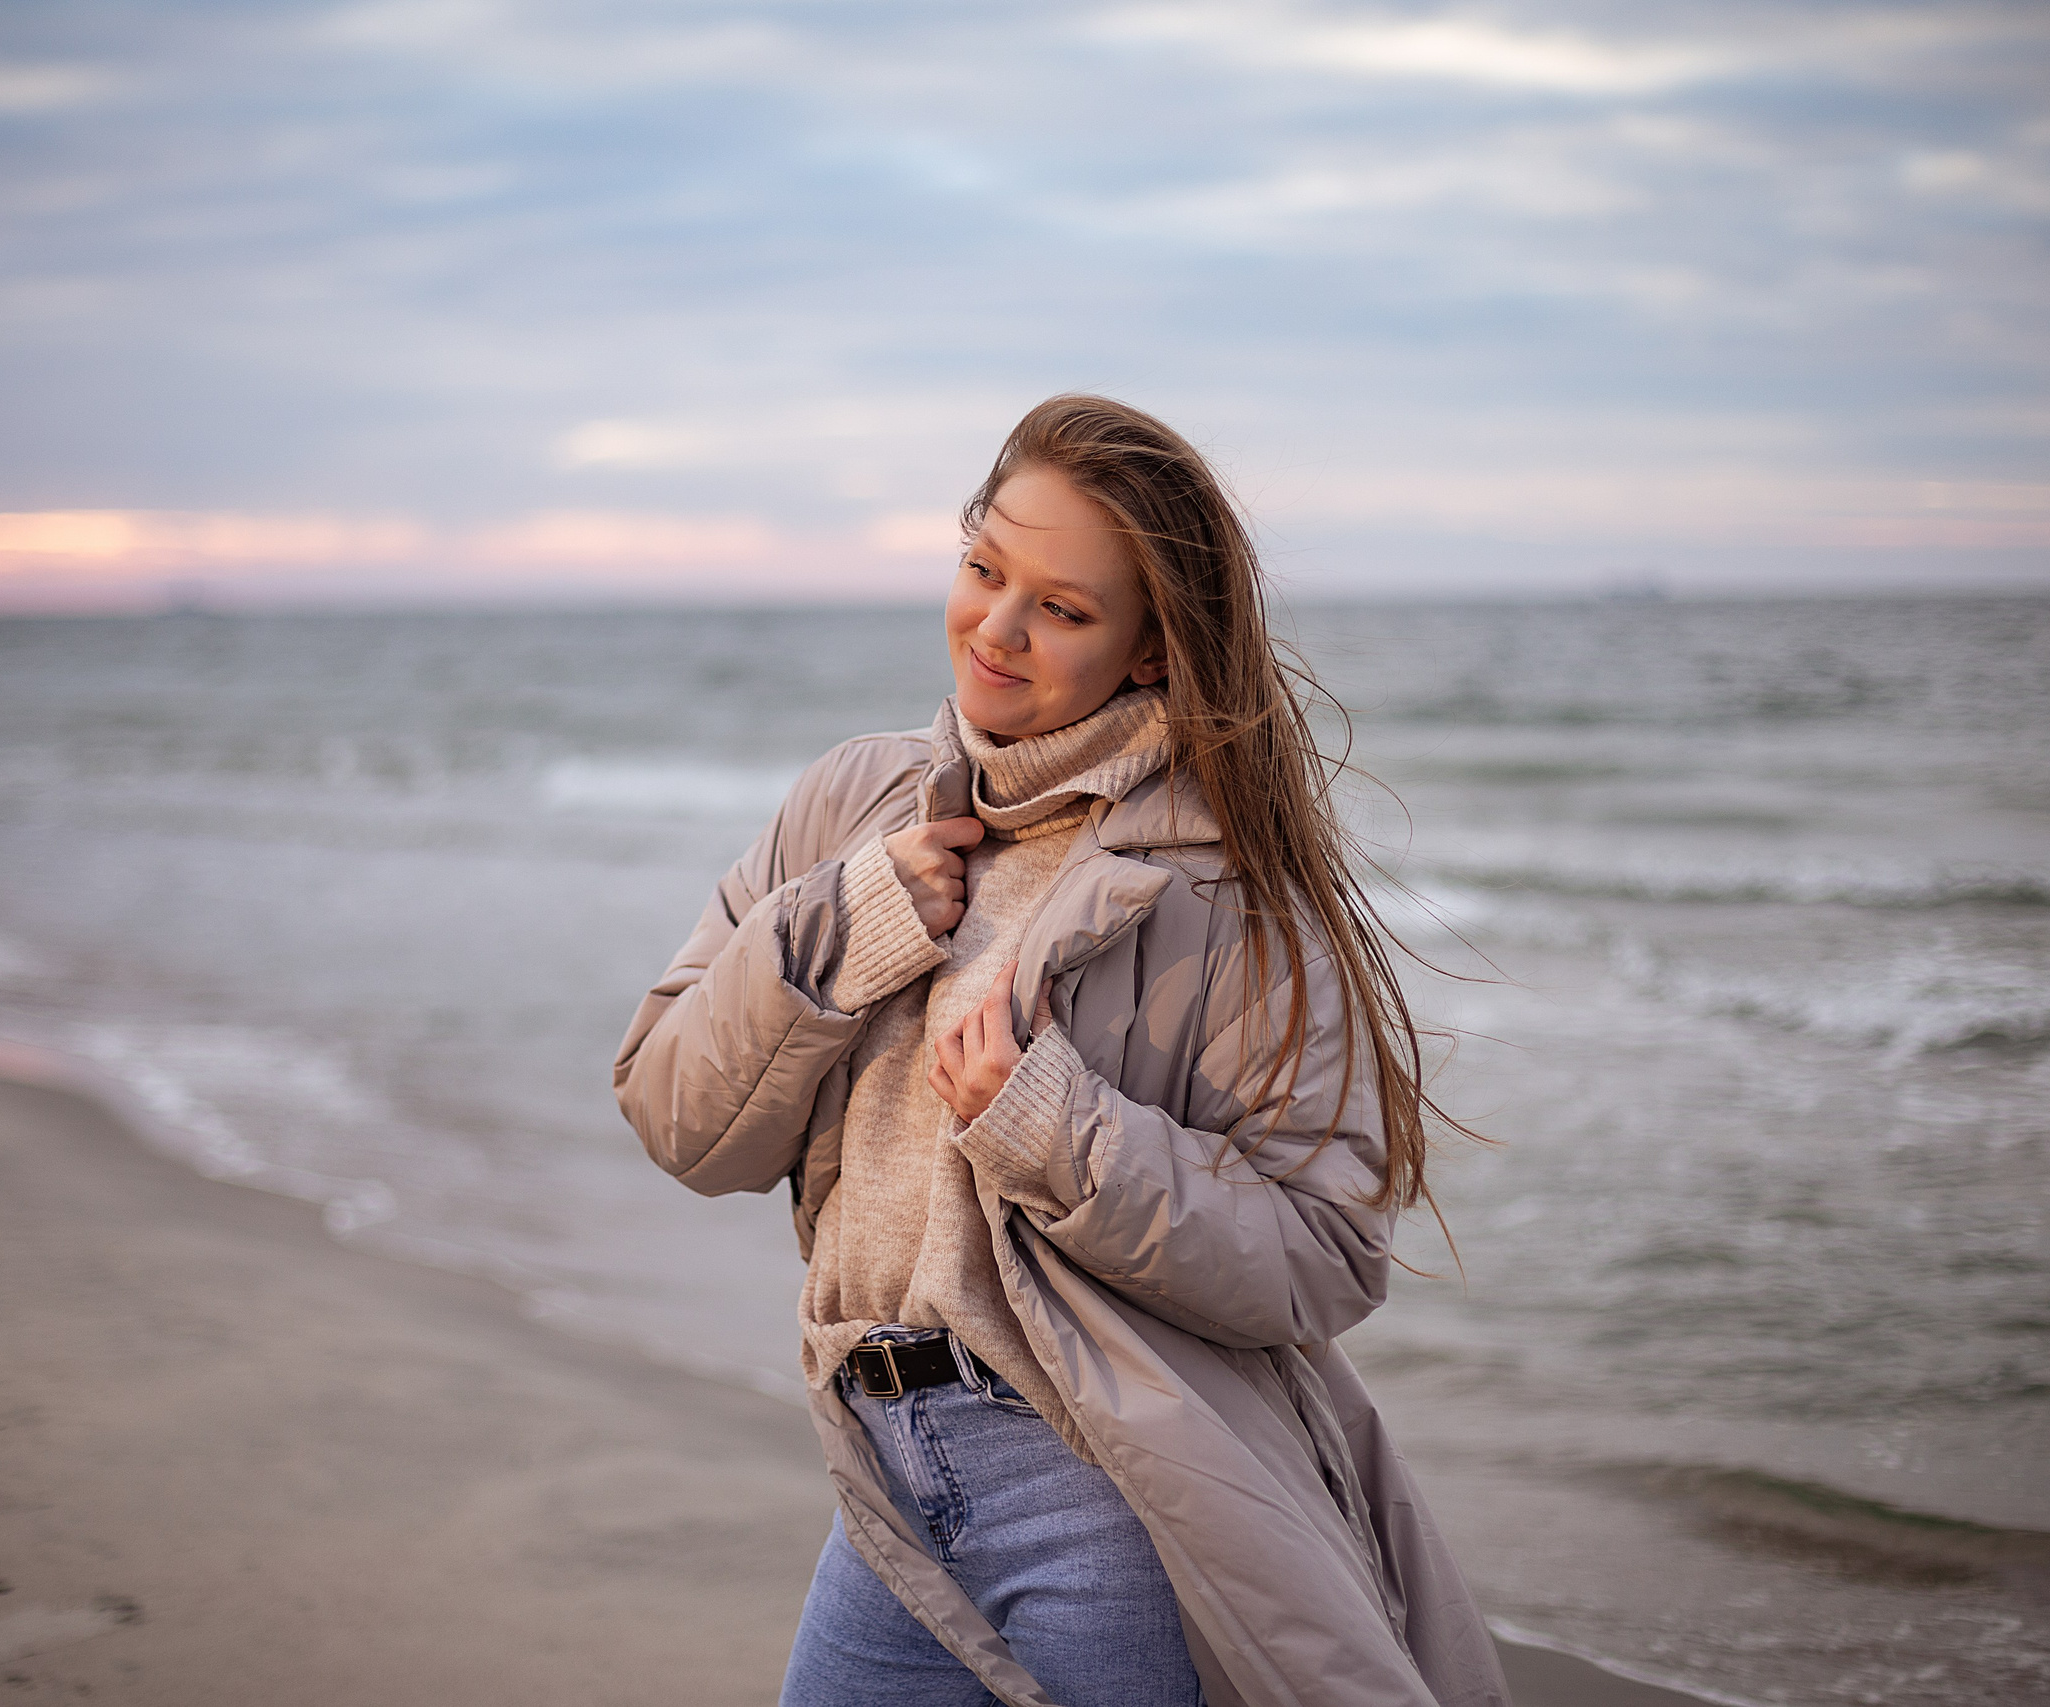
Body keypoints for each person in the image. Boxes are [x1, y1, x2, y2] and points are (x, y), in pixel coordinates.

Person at [615, 395, 1509, 1707]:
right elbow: (677, 1118)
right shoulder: (848, 808)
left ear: (1153, 652)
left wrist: (1051, 1126)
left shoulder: (1225, 892)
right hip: (887, 1473)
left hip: (1108, 1497)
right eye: (984, 569)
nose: (998, 627)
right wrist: (842, 925)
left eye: (1065, 609)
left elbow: (1325, 1257)